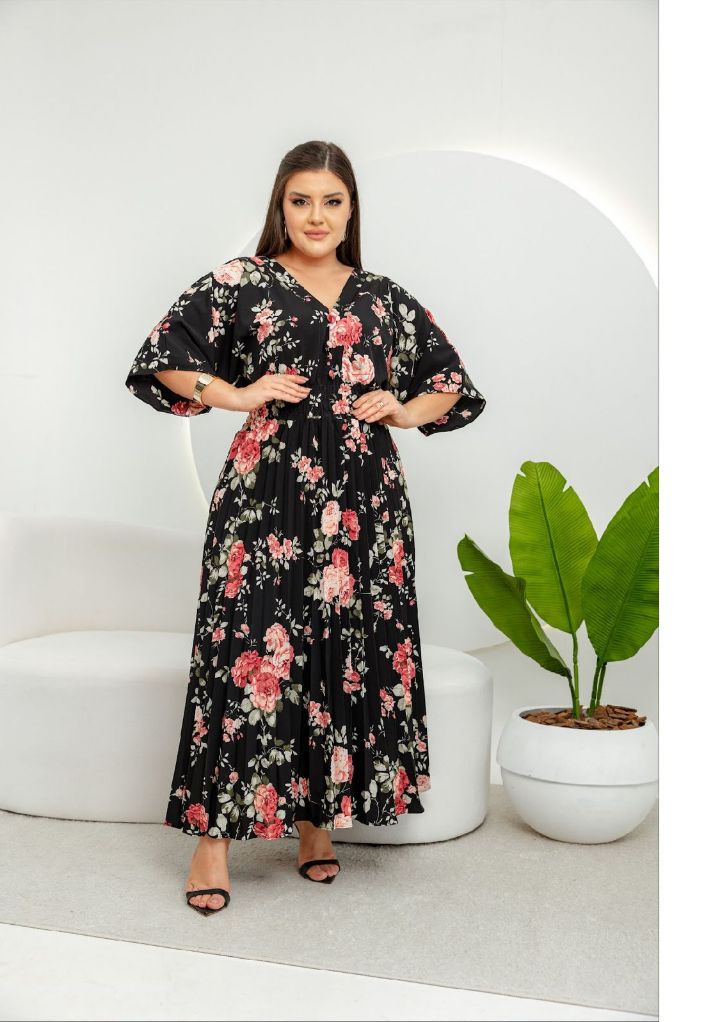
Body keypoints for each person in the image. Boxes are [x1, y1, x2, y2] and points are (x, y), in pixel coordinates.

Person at [125, 140, 487, 915]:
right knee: (245, 653)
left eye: (331, 201)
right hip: (267, 494)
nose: (316, 216)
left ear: (351, 209)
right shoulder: (243, 282)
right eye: (301, 201)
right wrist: (236, 392)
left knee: (340, 652)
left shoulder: (384, 298)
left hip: (364, 501)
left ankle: (317, 822)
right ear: (280, 207)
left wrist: (403, 409)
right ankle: (212, 841)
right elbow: (162, 358)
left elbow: (451, 385)